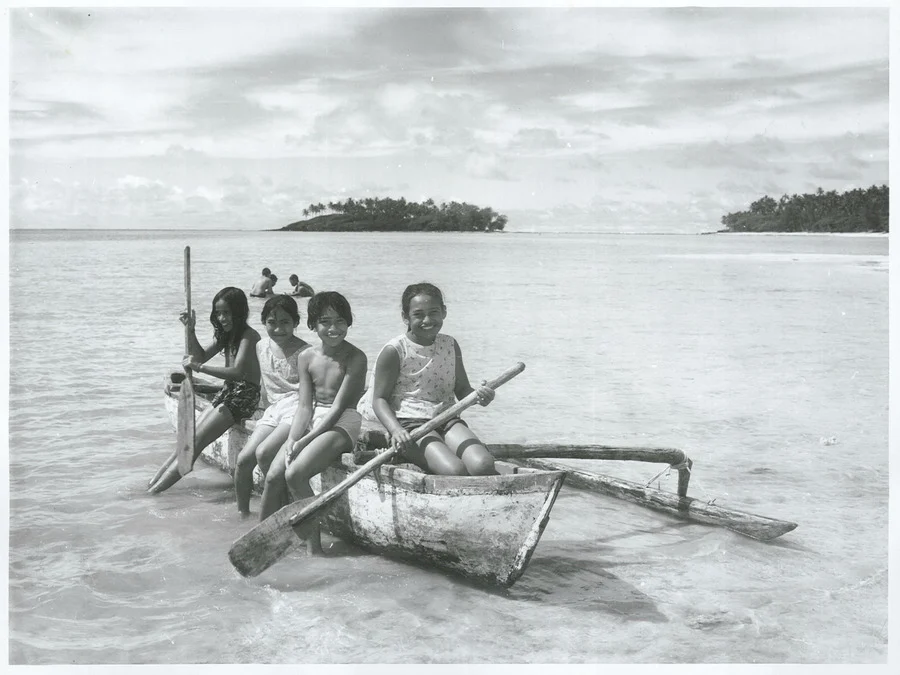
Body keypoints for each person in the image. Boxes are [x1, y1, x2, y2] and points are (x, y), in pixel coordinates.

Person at [259, 291, 367, 554]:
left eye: (340, 321)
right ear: (312, 325)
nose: (333, 328)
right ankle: (263, 539)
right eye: (325, 322)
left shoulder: (356, 357)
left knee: (295, 474)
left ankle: (313, 548)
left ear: (349, 322)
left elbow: (339, 407)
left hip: (342, 422)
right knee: (274, 475)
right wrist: (293, 439)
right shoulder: (306, 357)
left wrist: (304, 440)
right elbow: (305, 406)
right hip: (313, 419)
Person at [368, 282, 497, 476]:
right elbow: (379, 400)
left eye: (434, 312)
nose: (427, 320)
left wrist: (480, 395)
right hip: (409, 425)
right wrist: (396, 430)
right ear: (405, 317)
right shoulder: (394, 350)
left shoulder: (450, 344)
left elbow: (462, 389)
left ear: (444, 312)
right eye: (418, 314)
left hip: (447, 418)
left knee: (483, 465)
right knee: (454, 470)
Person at [149, 287, 262, 494]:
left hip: (243, 396)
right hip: (228, 391)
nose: (222, 318)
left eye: (227, 313)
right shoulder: (226, 336)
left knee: (195, 444)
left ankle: (154, 494)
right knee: (186, 440)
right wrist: (190, 330)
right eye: (218, 313)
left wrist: (198, 368)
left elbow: (237, 372)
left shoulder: (249, 336)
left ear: (239, 312)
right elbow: (199, 357)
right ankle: (152, 486)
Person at [233, 295, 310, 516]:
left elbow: (309, 394)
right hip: (274, 409)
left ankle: (282, 507)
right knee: (243, 461)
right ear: (264, 322)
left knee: (264, 452)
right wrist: (260, 409)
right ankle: (242, 516)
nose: (278, 329)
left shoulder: (306, 352)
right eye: (272, 323)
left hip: (296, 408)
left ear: (296, 323)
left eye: (285, 322)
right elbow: (266, 383)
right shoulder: (260, 346)